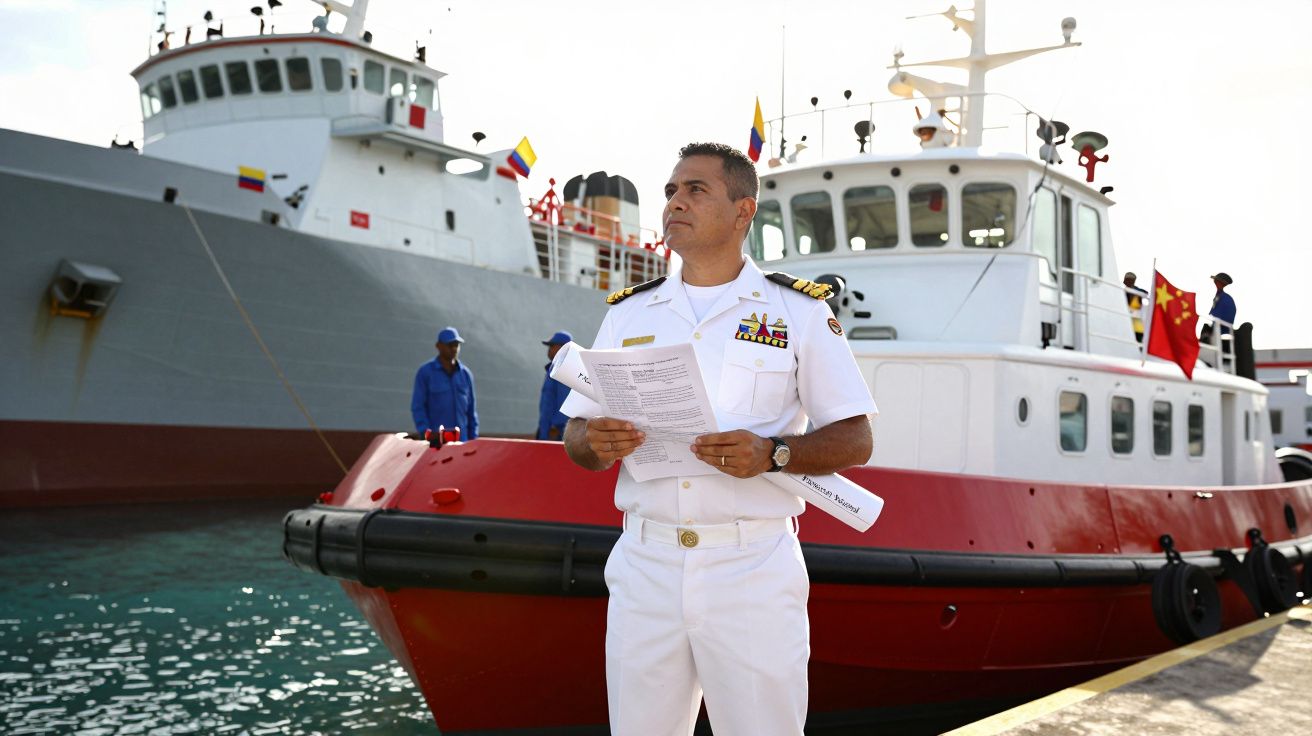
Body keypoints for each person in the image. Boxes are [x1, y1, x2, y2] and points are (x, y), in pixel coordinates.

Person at [560, 142, 876, 735]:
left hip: (751, 565)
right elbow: (575, 434)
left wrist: (774, 454)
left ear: (742, 210)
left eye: (695, 190)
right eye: (671, 191)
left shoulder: (797, 314)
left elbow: (856, 438)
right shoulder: (630, 313)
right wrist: (593, 442)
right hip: (645, 563)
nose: (675, 202)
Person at [410, 326, 478, 440]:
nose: (454, 349)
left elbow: (471, 412)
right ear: (438, 346)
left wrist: (473, 440)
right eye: (450, 345)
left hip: (462, 442)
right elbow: (418, 406)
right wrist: (426, 433)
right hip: (436, 443)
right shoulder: (426, 373)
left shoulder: (465, 375)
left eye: (456, 345)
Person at [536, 330, 573, 441]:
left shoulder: (565, 369)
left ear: (563, 348)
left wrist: (556, 427)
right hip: (547, 430)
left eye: (552, 346)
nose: (549, 350)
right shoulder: (554, 368)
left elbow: (565, 400)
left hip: (556, 433)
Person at [1199, 272, 1236, 350]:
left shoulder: (1225, 298)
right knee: (1206, 328)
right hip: (1218, 325)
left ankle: (1203, 345)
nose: (1214, 282)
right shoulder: (1220, 296)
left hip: (1221, 326)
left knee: (1206, 331)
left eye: (1216, 281)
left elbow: (1222, 314)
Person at [1123, 271, 1149, 343]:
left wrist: (1133, 290)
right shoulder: (1123, 292)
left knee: (1139, 339)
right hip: (1127, 319)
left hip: (1137, 322)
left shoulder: (1138, 291)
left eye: (1129, 280)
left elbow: (1145, 293)